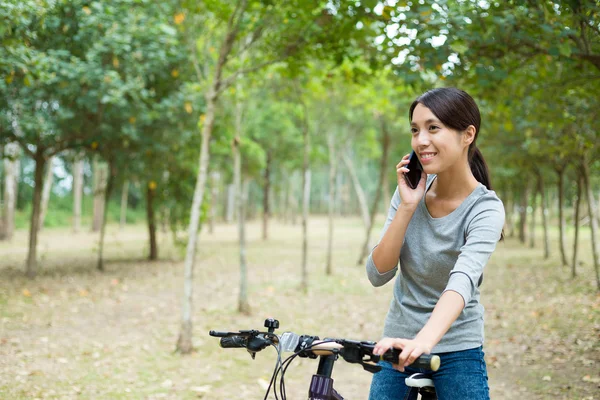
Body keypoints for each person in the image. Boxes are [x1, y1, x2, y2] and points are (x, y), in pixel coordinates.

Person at [366, 88, 505, 400]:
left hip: (458, 348)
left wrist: (425, 341)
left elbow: (462, 281)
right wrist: (407, 206)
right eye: (415, 130)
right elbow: (378, 274)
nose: (421, 140)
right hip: (397, 340)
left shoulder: (486, 208)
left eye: (433, 128)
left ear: (467, 134)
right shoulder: (409, 192)